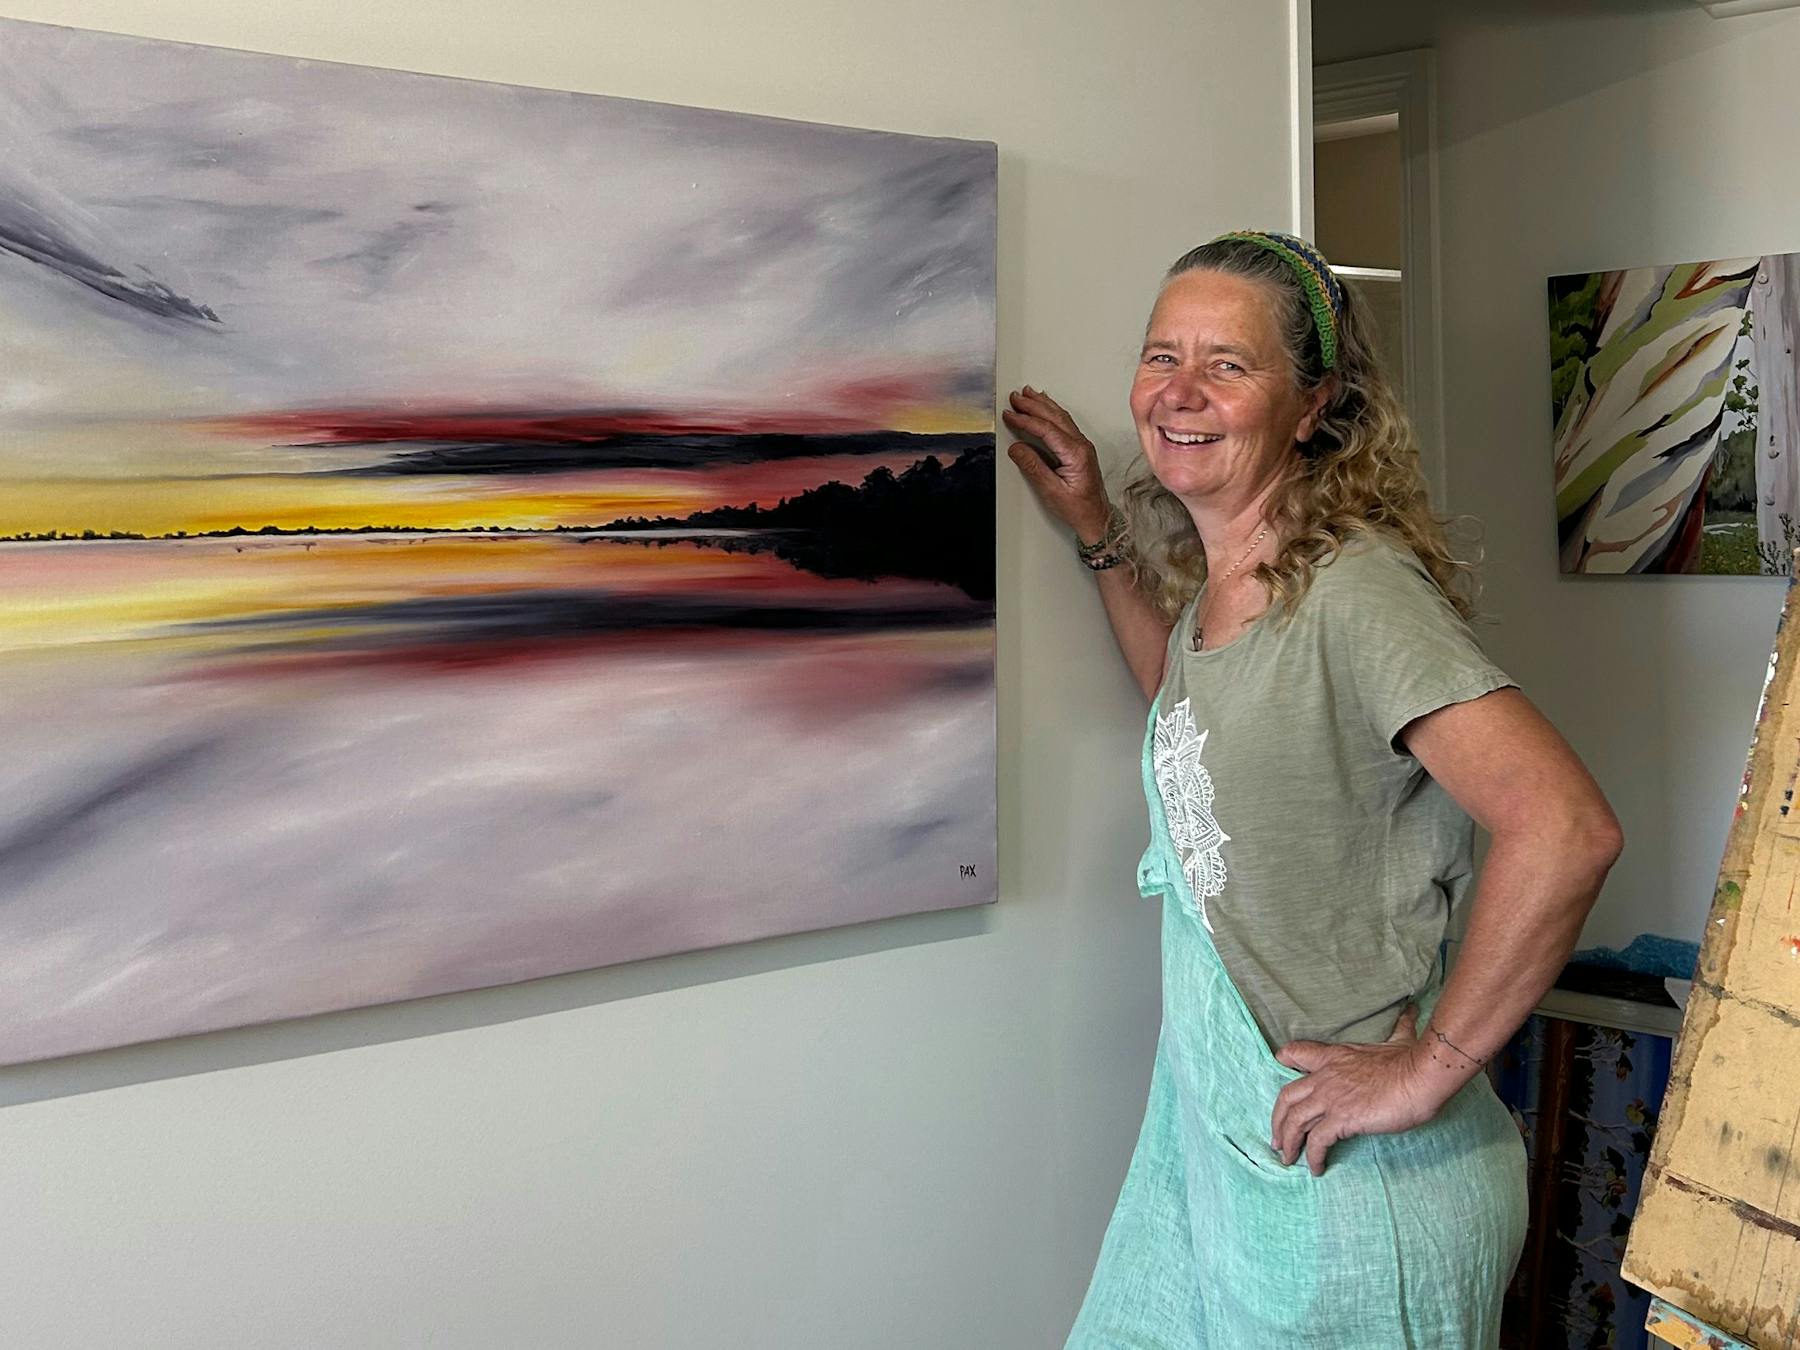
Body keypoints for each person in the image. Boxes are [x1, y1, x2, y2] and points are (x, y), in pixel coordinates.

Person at [1005, 230, 1624, 1349]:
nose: (1179, 393)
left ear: (1313, 406)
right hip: (1236, 1162)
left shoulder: (1353, 593)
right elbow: (1193, 715)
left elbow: (1566, 824)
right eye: (1161, 357)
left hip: (1360, 1194)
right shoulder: (1231, 582)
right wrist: (1097, 525)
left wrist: (1430, 1067)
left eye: (1228, 366)